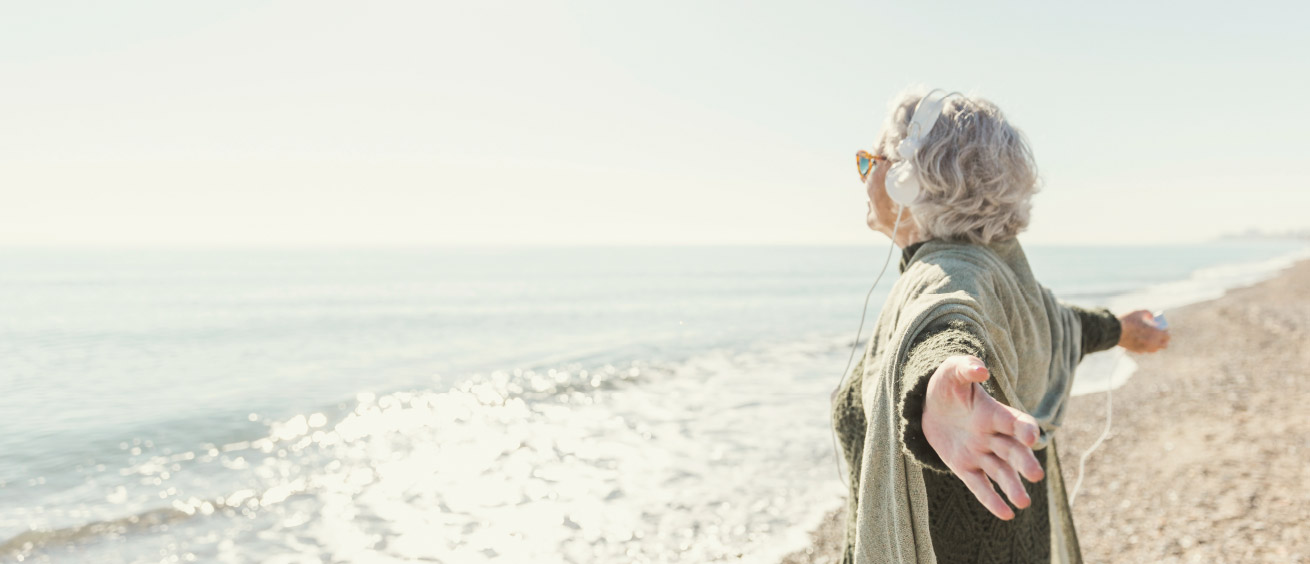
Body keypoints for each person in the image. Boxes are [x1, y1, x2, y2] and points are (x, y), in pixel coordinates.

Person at [831, 88, 1170, 564]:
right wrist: (1119, 329)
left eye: (870, 162)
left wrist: (939, 380)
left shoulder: (947, 274)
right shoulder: (1001, 273)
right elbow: (1054, 323)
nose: (864, 177)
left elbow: (947, 325)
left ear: (906, 180)